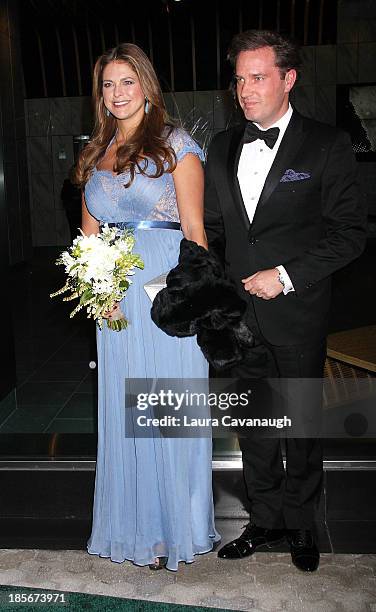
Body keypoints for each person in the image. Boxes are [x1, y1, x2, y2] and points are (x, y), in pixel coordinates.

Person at [204, 29, 366, 572]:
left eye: (257, 78)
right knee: (253, 425)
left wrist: (287, 275)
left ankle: (300, 524)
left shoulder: (327, 144)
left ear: (288, 78)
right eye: (238, 80)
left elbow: (349, 234)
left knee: (299, 425)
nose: (244, 90)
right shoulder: (222, 145)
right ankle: (264, 519)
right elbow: (212, 228)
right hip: (238, 319)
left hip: (296, 310)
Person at [74, 42, 220, 571]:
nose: (117, 94)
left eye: (127, 82)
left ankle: (172, 531)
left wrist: (192, 302)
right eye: (108, 84)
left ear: (147, 86)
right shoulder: (95, 152)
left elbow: (196, 232)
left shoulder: (175, 144)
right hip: (114, 299)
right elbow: (88, 237)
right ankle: (135, 528)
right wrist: (97, 294)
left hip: (164, 291)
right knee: (124, 411)